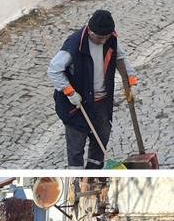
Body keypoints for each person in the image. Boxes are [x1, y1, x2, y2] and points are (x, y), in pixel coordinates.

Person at [48, 9, 139, 169]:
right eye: (99, 38)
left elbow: (120, 58)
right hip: (77, 106)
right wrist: (69, 92)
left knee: (101, 141)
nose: (103, 41)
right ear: (90, 31)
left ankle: (94, 174)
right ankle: (77, 178)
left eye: (106, 37)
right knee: (76, 149)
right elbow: (54, 70)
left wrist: (131, 81)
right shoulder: (75, 45)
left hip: (101, 103)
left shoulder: (111, 39)